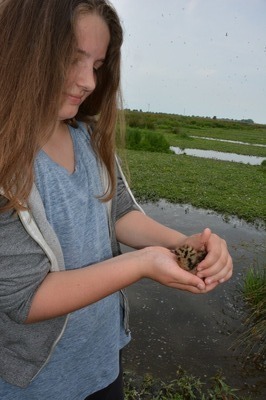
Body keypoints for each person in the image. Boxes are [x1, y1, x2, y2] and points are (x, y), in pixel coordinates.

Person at [0, 0, 233, 399]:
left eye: (96, 65)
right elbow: (25, 299)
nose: (89, 81)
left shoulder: (86, 137)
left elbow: (119, 211)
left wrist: (181, 245)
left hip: (104, 356)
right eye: (73, 59)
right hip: (37, 382)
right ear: (23, 50)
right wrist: (140, 264)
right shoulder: (8, 160)